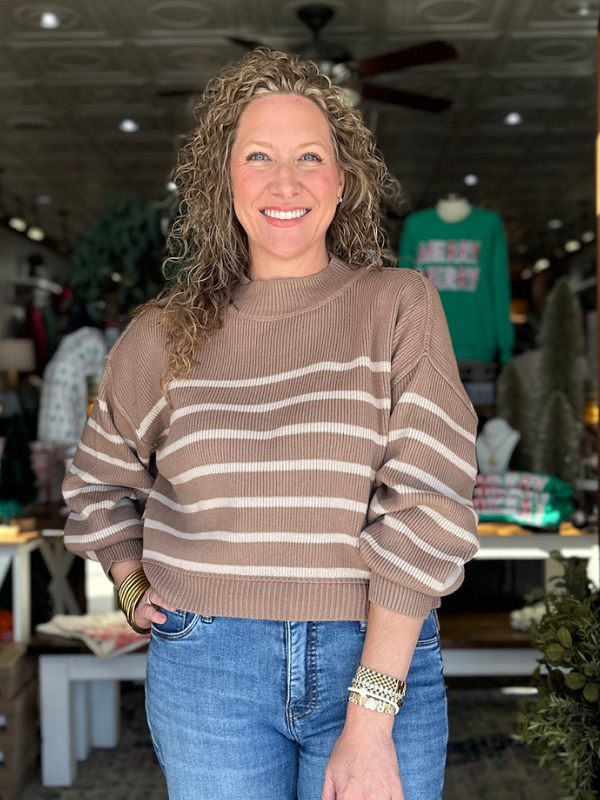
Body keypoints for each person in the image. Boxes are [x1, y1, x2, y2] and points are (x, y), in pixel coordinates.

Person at [62, 48, 479, 800]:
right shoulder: (161, 334)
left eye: (309, 157)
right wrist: (129, 580)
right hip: (207, 666)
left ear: (343, 180)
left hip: (377, 652)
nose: (284, 183)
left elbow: (431, 501)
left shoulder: (399, 304)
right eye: (258, 156)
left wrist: (372, 710)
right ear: (224, 180)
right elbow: (97, 482)